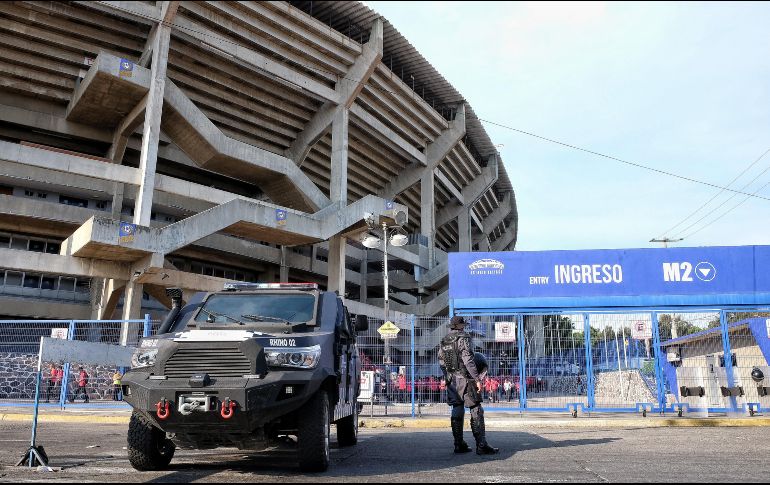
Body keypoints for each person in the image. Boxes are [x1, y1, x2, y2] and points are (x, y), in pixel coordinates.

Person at [438, 316, 499, 455]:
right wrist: (477, 378)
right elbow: (468, 360)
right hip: (466, 378)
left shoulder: (444, 341)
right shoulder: (463, 338)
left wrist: (447, 377)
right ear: (461, 326)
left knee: (457, 407)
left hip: (452, 379)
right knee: (476, 408)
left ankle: (458, 444)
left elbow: (441, 362)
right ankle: (481, 445)